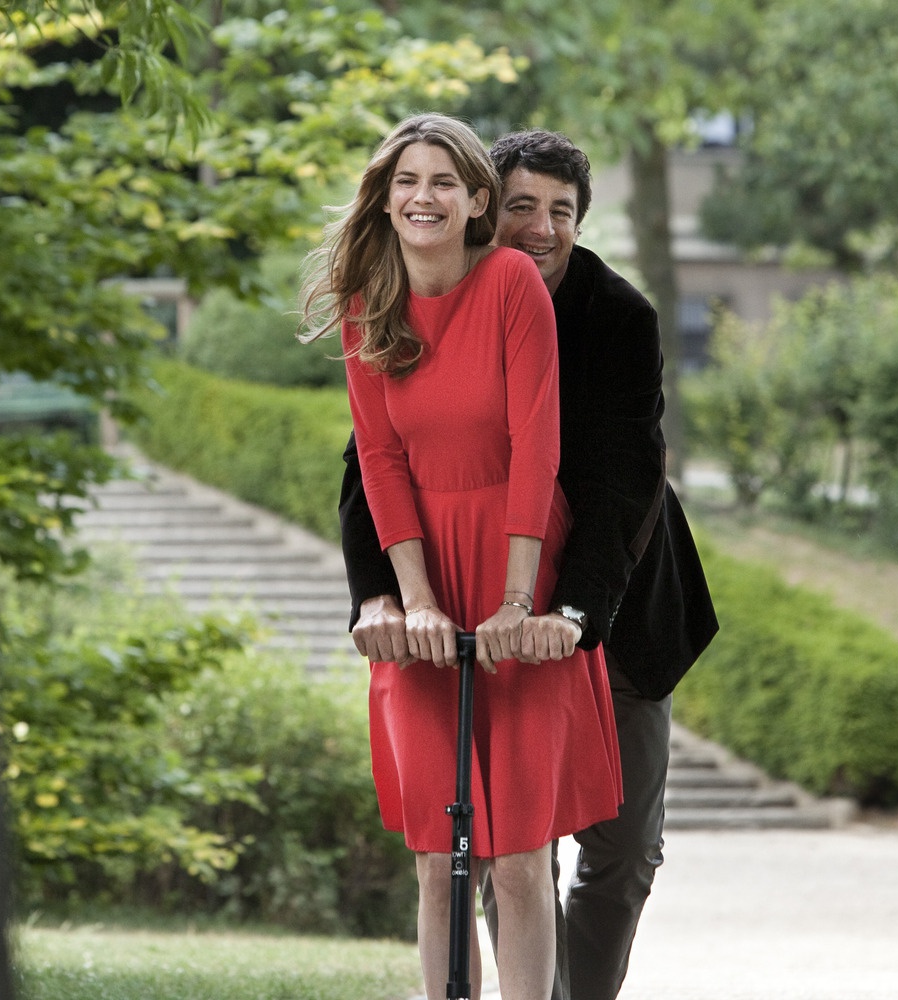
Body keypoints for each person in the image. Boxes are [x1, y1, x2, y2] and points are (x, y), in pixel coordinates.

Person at [339, 128, 718, 1000]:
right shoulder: (416, 293)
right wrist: (382, 597)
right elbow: (373, 462)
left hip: (608, 600)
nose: (541, 227)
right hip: (471, 586)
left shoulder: (616, 316)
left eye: (561, 212)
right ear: (488, 208)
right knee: (504, 843)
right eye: (522, 206)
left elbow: (621, 482)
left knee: (624, 850)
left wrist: (568, 612)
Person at [305, 114, 623, 1000]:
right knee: (437, 857)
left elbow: (535, 445)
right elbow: (379, 460)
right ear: (384, 197)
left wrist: (520, 603)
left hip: (516, 551)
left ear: (477, 200)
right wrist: (412, 601)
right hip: (426, 566)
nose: (424, 197)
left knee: (518, 856)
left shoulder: (510, 281)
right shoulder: (366, 301)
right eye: (407, 181)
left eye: (443, 181)